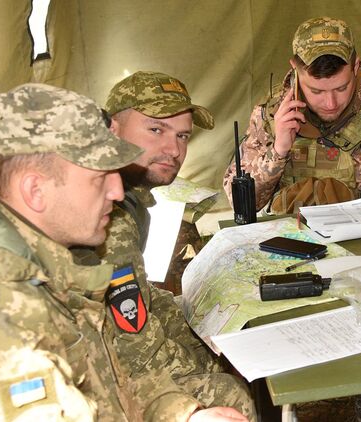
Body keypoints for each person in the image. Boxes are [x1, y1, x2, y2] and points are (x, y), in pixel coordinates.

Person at [0, 83, 145, 419]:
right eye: (101, 176)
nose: (117, 191)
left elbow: (108, 389)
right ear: (36, 191)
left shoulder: (48, 263)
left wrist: (182, 412)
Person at [94, 71, 256, 421]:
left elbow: (141, 295)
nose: (174, 150)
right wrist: (211, 364)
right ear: (113, 129)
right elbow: (136, 349)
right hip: (97, 374)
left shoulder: (131, 196)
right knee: (230, 394)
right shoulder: (110, 216)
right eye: (156, 130)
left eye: (182, 135)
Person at [224, 16, 361, 214]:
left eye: (342, 88)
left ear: (356, 66)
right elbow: (240, 203)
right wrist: (278, 151)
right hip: (292, 239)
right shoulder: (272, 115)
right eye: (316, 91)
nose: (331, 103)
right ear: (295, 69)